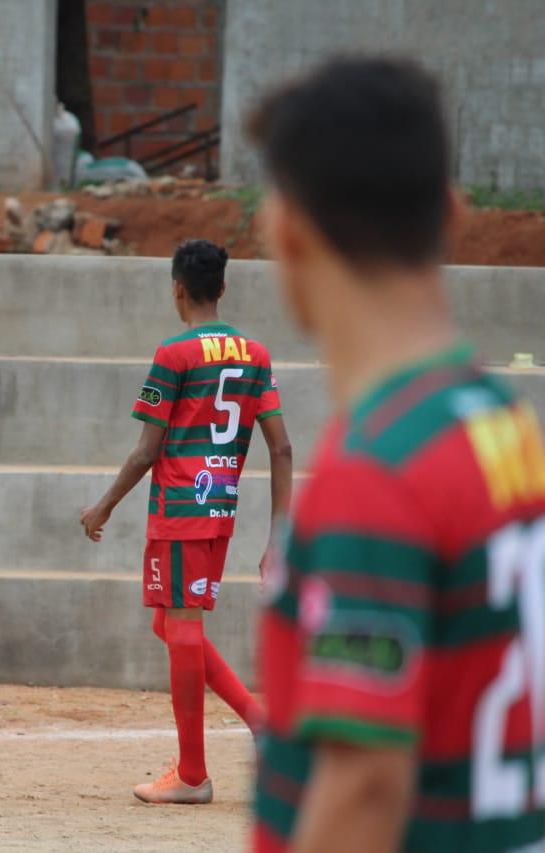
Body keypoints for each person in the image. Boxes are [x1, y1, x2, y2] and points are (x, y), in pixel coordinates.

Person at [248, 58, 545, 853]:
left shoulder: (377, 470)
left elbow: (366, 788)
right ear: (453, 214)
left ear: (288, 230)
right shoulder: (499, 419)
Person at [80, 238, 293, 804]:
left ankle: (193, 775)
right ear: (222, 287)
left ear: (177, 288)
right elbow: (282, 448)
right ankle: (260, 721)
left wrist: (103, 505)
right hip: (220, 507)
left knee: (179, 627)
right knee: (173, 624)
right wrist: (279, 539)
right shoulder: (256, 353)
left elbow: (145, 452)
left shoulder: (174, 353)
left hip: (178, 508)